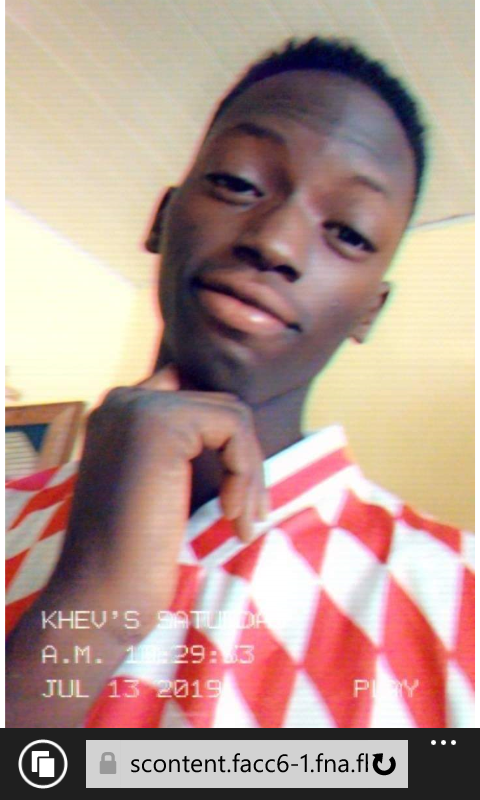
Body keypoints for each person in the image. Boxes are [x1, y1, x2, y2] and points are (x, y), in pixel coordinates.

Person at [6, 36, 474, 729]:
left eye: (348, 232)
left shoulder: (461, 598)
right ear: (162, 219)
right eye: (238, 182)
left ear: (369, 311)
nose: (275, 243)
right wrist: (90, 607)